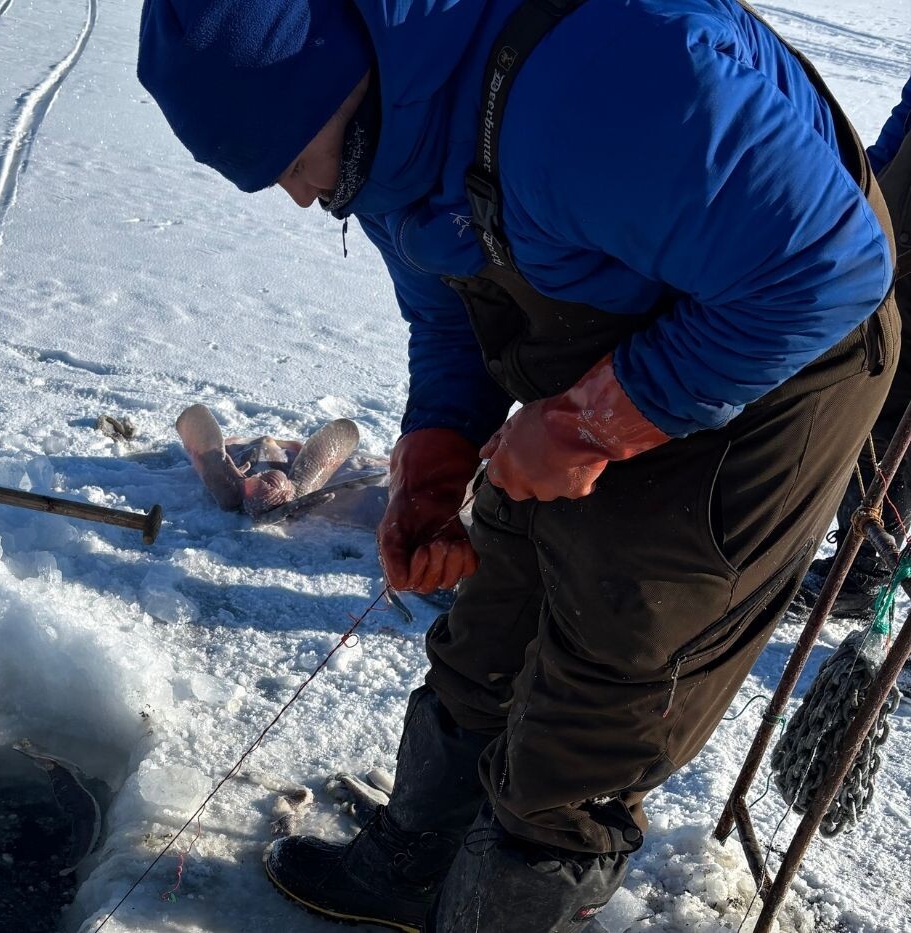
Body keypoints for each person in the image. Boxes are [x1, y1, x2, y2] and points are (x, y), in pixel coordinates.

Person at [137, 0, 899, 929]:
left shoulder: (604, 79)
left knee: (605, 676)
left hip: (781, 345)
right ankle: (412, 867)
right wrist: (437, 445)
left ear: (336, 81)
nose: (301, 197)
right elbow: (444, 292)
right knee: (498, 602)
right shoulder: (380, 135)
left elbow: (825, 269)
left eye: (295, 163)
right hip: (618, 307)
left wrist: (598, 423)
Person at [794, 74, 911, 621]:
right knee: (874, 406)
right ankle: (864, 566)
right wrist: (862, 188)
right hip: (896, 251)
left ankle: (871, 577)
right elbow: (900, 130)